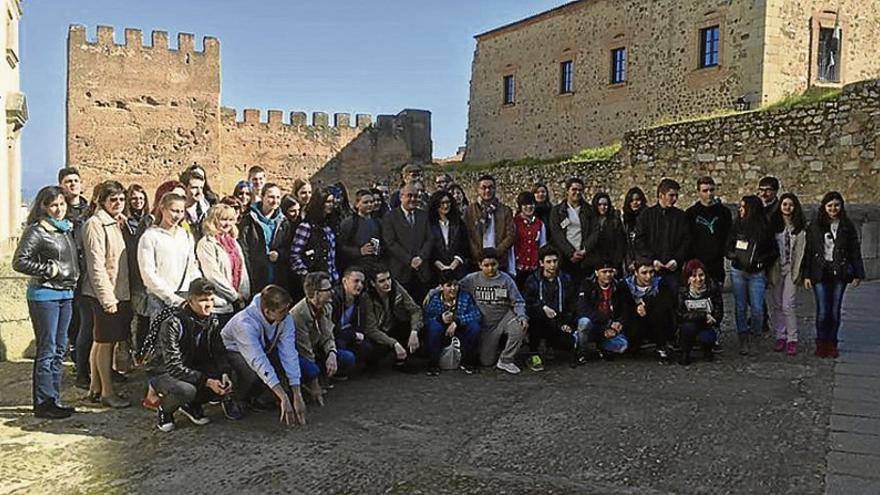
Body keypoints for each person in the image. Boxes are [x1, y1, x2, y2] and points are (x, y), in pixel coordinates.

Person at [13, 186, 80, 419]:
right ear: (44, 206)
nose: (59, 209)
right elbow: (20, 261)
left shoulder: (64, 229)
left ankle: (54, 398)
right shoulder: (37, 231)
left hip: (65, 294)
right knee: (48, 348)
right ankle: (43, 403)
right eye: (53, 205)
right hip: (45, 295)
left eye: (61, 204)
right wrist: (47, 269)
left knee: (60, 348)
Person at [151, 279, 239, 432]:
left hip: (195, 368)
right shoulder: (173, 323)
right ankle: (165, 410)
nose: (209, 304)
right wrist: (206, 381)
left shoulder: (212, 320)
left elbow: (219, 352)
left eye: (211, 299)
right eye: (203, 300)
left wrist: (224, 373)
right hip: (167, 372)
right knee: (186, 390)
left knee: (230, 375)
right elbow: (172, 365)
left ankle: (192, 404)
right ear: (190, 301)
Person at [221, 285, 307, 425]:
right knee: (250, 370)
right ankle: (234, 398)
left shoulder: (285, 318)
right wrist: (283, 397)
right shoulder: (244, 323)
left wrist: (297, 393)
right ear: (267, 311)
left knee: (286, 367)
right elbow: (257, 360)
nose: (287, 314)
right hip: (233, 352)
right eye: (282, 311)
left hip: (263, 349)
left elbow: (289, 353)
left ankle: (259, 397)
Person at [81, 181, 133, 409]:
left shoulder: (115, 223)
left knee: (100, 341)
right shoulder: (95, 224)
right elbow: (96, 265)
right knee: (106, 343)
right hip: (105, 292)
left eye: (122, 199)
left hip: (117, 291)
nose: (118, 204)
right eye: (113, 200)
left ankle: (95, 386)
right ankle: (107, 392)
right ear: (102, 201)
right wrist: (107, 298)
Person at [802, 191, 865, 358]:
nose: (833, 209)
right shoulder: (815, 226)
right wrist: (806, 275)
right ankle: (821, 342)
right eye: (830, 205)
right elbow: (809, 251)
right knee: (823, 311)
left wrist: (858, 273)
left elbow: (854, 251)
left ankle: (832, 342)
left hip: (840, 272)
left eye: (836, 205)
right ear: (824, 207)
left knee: (835, 311)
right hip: (820, 271)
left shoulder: (847, 226)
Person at [459, 249, 528, 374]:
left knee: (520, 327)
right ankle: (493, 349)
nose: (490, 268)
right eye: (486, 265)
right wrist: (434, 292)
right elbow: (453, 287)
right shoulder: (471, 279)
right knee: (486, 362)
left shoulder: (506, 279)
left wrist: (522, 316)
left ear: (498, 264)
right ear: (480, 265)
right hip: (486, 323)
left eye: (493, 265)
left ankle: (506, 360)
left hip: (504, 317)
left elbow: (518, 301)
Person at [725, 195, 778, 355]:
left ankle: (755, 336)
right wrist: (735, 256)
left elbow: (773, 250)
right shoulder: (737, 225)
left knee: (757, 308)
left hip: (757, 271)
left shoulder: (765, 227)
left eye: (743, 207)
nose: (740, 210)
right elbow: (728, 246)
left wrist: (761, 261)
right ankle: (743, 337)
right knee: (740, 306)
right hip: (739, 270)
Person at [137, 192, 201, 321]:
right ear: (162, 208)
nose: (177, 216)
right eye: (174, 211)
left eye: (181, 211)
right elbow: (148, 273)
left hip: (185, 296)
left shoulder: (186, 235)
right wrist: (170, 297)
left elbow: (192, 266)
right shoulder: (150, 236)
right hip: (159, 298)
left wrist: (199, 288)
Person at [291, 272, 353, 403]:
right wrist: (314, 381)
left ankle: (325, 375)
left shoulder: (327, 307)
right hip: (299, 354)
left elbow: (328, 335)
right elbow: (304, 349)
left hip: (317, 348)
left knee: (347, 358)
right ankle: (309, 382)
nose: (332, 292)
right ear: (315, 293)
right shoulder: (298, 315)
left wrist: (331, 353)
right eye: (327, 290)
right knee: (311, 368)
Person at [523, 246, 580, 370]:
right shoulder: (533, 280)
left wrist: (568, 322)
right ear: (541, 263)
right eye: (548, 262)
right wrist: (542, 307)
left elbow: (572, 303)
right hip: (540, 321)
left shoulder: (565, 279)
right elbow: (527, 302)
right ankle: (533, 354)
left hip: (559, 320)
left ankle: (552, 347)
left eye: (555, 261)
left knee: (569, 342)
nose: (552, 265)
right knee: (536, 318)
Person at [197, 204, 251, 329]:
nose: (227, 223)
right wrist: (234, 295)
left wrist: (244, 294)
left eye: (231, 220)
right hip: (219, 305)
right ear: (214, 220)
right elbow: (212, 275)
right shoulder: (206, 243)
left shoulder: (233, 241)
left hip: (237, 304)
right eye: (223, 219)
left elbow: (242, 269)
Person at [634, 178, 692, 292]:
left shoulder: (681, 216)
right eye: (671, 195)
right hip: (651, 270)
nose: (674, 199)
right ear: (661, 195)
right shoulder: (646, 215)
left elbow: (687, 241)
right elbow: (639, 241)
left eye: (676, 195)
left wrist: (676, 260)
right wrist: (652, 260)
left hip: (673, 271)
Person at [362, 269, 424, 372]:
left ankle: (402, 359)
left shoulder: (396, 287)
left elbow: (415, 310)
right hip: (379, 333)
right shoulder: (367, 297)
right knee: (374, 350)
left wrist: (414, 331)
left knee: (419, 328)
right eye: (382, 281)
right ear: (373, 283)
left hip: (394, 326)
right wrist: (395, 343)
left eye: (388, 279)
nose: (387, 283)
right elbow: (371, 329)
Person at [768, 193, 806, 356]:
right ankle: (780, 335)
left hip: (792, 269)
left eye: (790, 205)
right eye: (784, 204)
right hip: (777, 268)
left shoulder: (800, 229)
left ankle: (792, 338)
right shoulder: (774, 226)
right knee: (776, 304)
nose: (787, 208)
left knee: (788, 305)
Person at [381, 183, 433, 303]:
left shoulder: (423, 215)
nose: (413, 199)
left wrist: (421, 257)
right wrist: (409, 260)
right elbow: (390, 243)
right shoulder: (390, 217)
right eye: (409, 196)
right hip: (401, 271)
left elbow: (429, 239)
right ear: (401, 197)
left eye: (416, 196)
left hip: (422, 271)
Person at [423, 271, 482, 375]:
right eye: (449, 285)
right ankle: (433, 363)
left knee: (474, 327)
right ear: (441, 287)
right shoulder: (435, 299)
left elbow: (476, 314)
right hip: (441, 332)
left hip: (460, 330)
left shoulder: (465, 296)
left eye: (455, 284)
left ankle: (469, 362)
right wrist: (440, 319)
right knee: (434, 328)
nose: (453, 288)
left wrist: (457, 321)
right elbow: (426, 319)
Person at [240, 183, 293, 293]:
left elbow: (289, 247)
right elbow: (244, 249)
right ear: (262, 197)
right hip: (256, 276)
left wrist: (279, 254)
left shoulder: (284, 222)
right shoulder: (249, 220)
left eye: (278, 197)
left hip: (277, 277)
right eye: (271, 197)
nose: (275, 201)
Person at [575, 260, 631, 361]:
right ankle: (582, 352)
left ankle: (599, 347)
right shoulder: (587, 284)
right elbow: (583, 309)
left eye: (610, 271)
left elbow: (625, 308)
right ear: (596, 273)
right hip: (595, 324)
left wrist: (619, 323)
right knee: (584, 322)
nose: (608, 275)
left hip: (610, 327)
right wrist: (607, 324)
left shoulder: (619, 286)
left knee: (622, 345)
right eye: (604, 272)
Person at [622, 258, 676, 361]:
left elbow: (667, 303)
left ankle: (661, 345)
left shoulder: (660, 283)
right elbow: (622, 306)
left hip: (655, 320)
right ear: (636, 273)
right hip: (634, 321)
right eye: (644, 273)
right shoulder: (625, 285)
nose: (648, 276)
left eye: (651, 272)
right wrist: (636, 307)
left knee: (661, 311)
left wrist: (646, 305)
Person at [686, 177, 733, 285]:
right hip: (698, 264)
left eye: (711, 190)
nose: (709, 194)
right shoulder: (691, 213)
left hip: (717, 263)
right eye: (705, 191)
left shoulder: (724, 212)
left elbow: (728, 235)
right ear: (698, 192)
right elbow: (688, 238)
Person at [290, 187, 340, 289]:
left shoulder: (329, 226)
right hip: (314, 281)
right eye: (328, 202)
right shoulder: (306, 227)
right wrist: (306, 275)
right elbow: (294, 254)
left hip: (331, 279)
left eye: (332, 202)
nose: (331, 205)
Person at [464, 175, 515, 271]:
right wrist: (478, 254)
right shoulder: (470, 211)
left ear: (495, 189)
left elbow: (511, 235)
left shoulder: (505, 210)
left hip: (499, 261)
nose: (487, 191)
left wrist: (496, 252)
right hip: (477, 262)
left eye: (490, 187)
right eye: (483, 188)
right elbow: (467, 235)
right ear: (478, 190)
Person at [677, 259, 723, 366]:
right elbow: (679, 314)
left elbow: (719, 310)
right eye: (693, 276)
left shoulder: (713, 288)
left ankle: (708, 348)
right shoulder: (682, 291)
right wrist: (703, 315)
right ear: (688, 278)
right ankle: (685, 352)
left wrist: (714, 319)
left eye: (701, 275)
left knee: (708, 337)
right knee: (688, 328)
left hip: (708, 325)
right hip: (689, 324)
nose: (698, 279)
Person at [548, 177, 595, 281]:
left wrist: (585, 250)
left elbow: (594, 231)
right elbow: (557, 233)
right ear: (567, 191)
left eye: (580, 190)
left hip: (584, 256)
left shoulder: (589, 210)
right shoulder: (557, 211)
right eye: (574, 189)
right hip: (565, 257)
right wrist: (570, 253)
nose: (577, 192)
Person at [123, 184, 150, 360]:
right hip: (130, 273)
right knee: (130, 318)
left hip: (144, 274)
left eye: (141, 198)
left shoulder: (149, 220)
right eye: (134, 199)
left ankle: (141, 353)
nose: (138, 202)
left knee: (144, 317)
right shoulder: (124, 221)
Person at [330, 267, 371, 372]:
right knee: (345, 353)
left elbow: (360, 326)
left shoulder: (361, 299)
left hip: (348, 335)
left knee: (367, 347)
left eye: (362, 282)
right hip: (333, 339)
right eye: (356, 281)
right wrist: (353, 334)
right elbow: (332, 329)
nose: (360, 285)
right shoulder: (333, 298)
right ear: (344, 281)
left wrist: (354, 334)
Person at [428, 190, 469, 281]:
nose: (446, 206)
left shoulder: (458, 223)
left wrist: (454, 264)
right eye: (442, 203)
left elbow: (464, 245)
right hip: (435, 271)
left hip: (458, 269)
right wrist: (440, 265)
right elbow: (429, 247)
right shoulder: (429, 224)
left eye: (448, 202)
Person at [337, 189, 382, 272]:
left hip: (374, 266)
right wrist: (359, 251)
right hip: (355, 267)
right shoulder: (349, 223)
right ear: (357, 204)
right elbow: (340, 247)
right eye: (365, 202)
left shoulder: (378, 222)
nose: (369, 205)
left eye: (371, 202)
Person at [510, 191, 546, 287]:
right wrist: (512, 269)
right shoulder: (514, 223)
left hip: (534, 270)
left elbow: (542, 246)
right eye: (525, 205)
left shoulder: (540, 224)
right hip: (518, 269)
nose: (529, 207)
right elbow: (511, 248)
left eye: (531, 204)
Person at [585, 192, 626, 273]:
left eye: (605, 205)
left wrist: (616, 264)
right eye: (599, 205)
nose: (602, 207)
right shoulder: (589, 220)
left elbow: (620, 244)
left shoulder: (615, 221)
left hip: (612, 263)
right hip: (594, 264)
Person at [621, 186, 647, 272]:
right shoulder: (625, 219)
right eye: (631, 200)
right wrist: (629, 262)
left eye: (637, 200)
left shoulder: (648, 217)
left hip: (645, 261)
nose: (635, 203)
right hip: (629, 261)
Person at [180, 168, 209, 241]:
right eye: (194, 188)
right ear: (185, 188)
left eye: (201, 188)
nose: (199, 192)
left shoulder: (207, 211)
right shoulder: (177, 211)